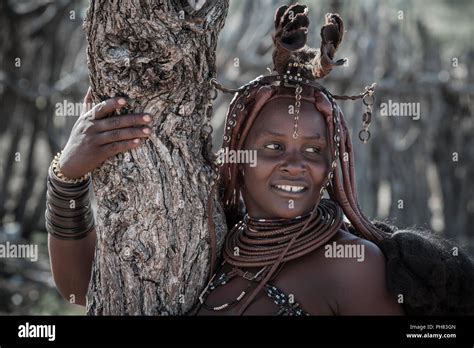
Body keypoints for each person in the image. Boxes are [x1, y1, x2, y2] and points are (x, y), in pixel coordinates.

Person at [47, 3, 473, 315]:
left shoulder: (352, 267)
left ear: (331, 165)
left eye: (314, 151)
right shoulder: (214, 242)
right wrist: (67, 177)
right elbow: (79, 289)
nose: (295, 164)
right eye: (273, 148)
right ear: (237, 157)